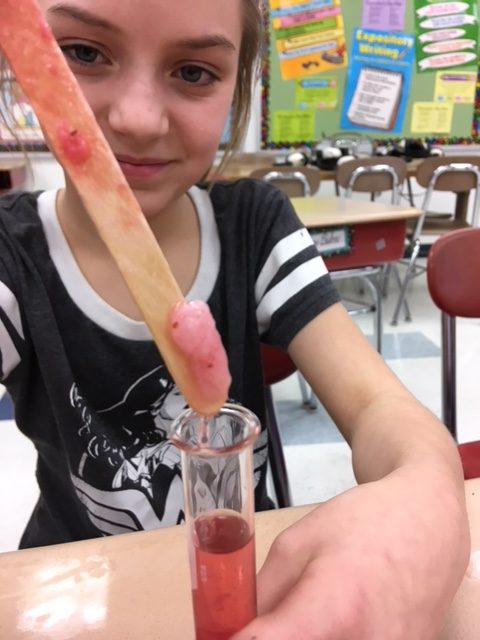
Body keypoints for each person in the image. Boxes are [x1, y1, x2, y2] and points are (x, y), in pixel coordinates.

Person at [0, 1, 469, 638]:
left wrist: (424, 491)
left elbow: (377, 405)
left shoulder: (255, 229)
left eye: (193, 72)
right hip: (74, 592)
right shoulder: (14, 261)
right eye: (83, 54)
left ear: (238, 88)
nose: (138, 118)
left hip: (247, 573)